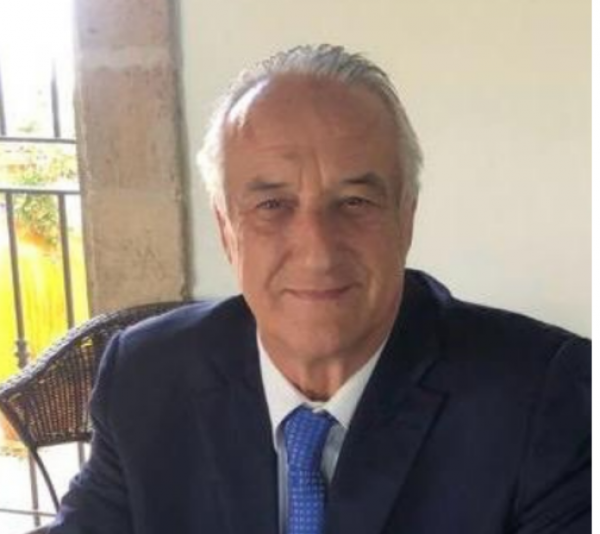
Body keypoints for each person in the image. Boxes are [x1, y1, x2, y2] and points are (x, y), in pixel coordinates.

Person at [48, 44, 590, 534]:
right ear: (226, 229)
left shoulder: (549, 397)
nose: (317, 250)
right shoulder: (146, 375)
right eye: (272, 205)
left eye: (355, 202)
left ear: (406, 218)